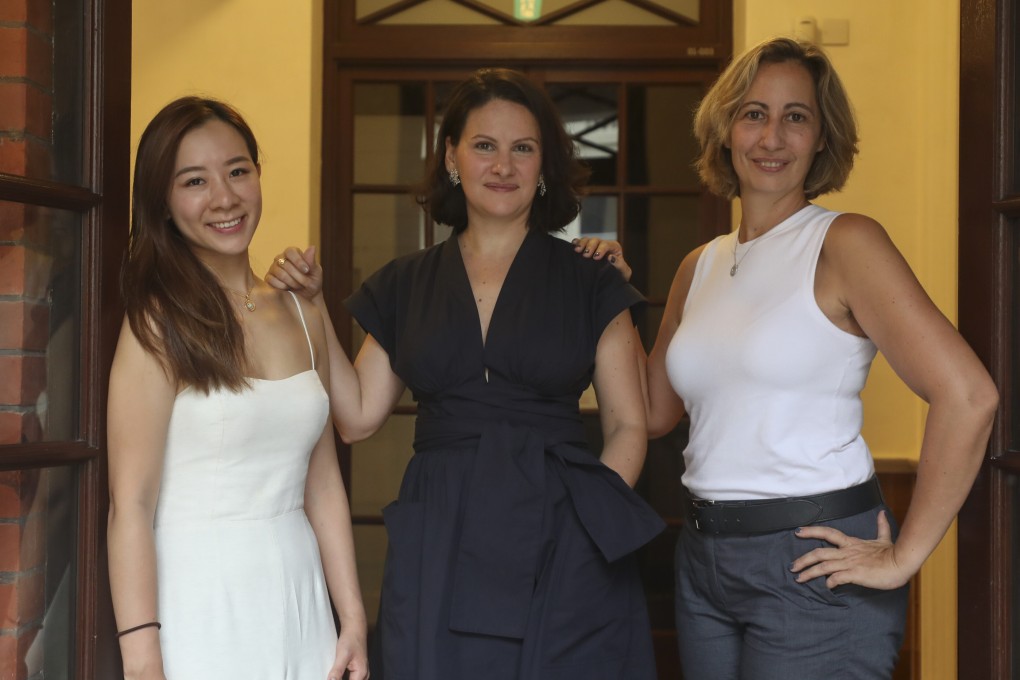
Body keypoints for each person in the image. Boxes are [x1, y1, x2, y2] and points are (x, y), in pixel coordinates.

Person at [575, 37, 998, 678]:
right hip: (702, 562)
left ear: (822, 137)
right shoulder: (702, 263)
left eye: (795, 116)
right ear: (724, 130)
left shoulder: (846, 243)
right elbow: (656, 411)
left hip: (811, 561)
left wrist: (905, 555)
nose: (772, 136)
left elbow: (970, 396)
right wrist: (614, 297)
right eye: (754, 113)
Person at [268, 68, 664, 679]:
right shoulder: (405, 282)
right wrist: (315, 308)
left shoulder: (593, 279)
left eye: (522, 148)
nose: (503, 165)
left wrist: (589, 522)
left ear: (544, 165)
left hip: (560, 522)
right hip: (441, 533)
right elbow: (356, 417)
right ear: (452, 155)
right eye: (485, 145)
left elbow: (629, 424)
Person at [107, 97, 369, 680]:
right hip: (198, 601)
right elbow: (131, 505)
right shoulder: (157, 321)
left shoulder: (299, 311)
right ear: (165, 205)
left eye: (238, 170)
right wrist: (141, 656)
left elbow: (321, 482)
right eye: (195, 181)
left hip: (298, 600)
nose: (224, 198)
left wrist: (351, 618)